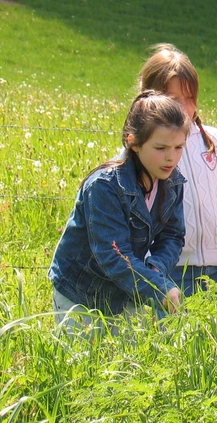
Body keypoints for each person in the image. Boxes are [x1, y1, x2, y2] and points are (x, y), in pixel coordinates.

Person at [49, 91, 190, 333]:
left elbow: (172, 236)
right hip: (80, 294)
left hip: (125, 292)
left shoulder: (173, 182)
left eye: (179, 147)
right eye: (161, 147)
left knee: (126, 364)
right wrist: (157, 287)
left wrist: (155, 270)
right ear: (133, 142)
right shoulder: (105, 186)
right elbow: (112, 254)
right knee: (83, 366)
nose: (171, 157)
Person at [137, 43, 217, 297]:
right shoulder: (149, 150)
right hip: (172, 270)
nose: (187, 108)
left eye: (191, 98)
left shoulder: (214, 141)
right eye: (176, 100)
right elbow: (138, 214)